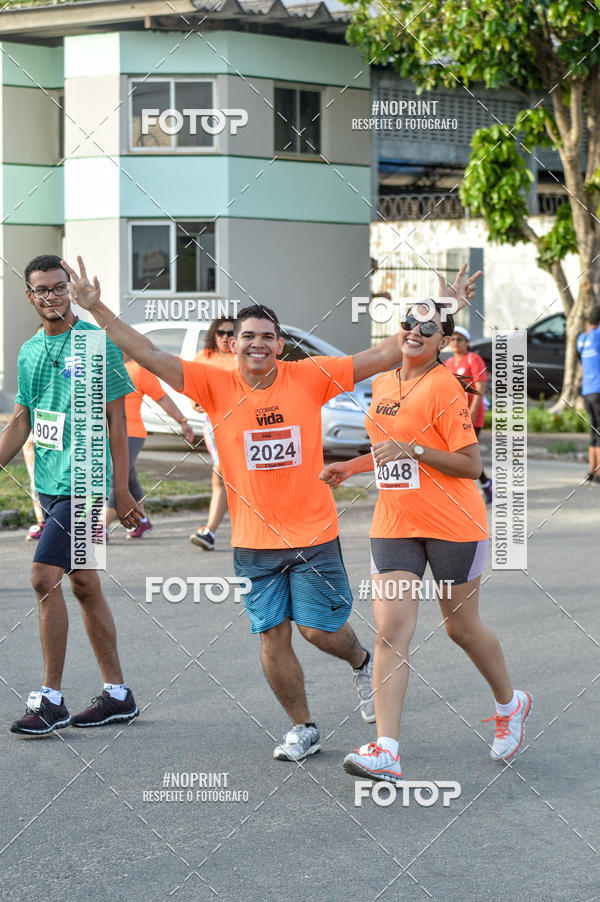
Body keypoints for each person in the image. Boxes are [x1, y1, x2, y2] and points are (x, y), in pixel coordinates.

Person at [62, 255, 480, 763]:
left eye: (267, 336)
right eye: (248, 335)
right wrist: (96, 307)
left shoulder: (309, 377)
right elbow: (147, 352)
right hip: (252, 543)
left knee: (319, 629)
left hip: (313, 534)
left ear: (280, 345)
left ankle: (361, 659)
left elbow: (390, 349)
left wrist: (441, 308)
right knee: (271, 637)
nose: (257, 343)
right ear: (232, 343)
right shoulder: (211, 383)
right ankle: (303, 726)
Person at [321, 301, 531, 784]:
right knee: (390, 631)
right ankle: (387, 750)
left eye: (429, 328)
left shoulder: (445, 387)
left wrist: (415, 448)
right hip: (395, 524)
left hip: (453, 524)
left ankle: (510, 703)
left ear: (442, 342)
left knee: (461, 628)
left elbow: (470, 466)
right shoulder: (384, 381)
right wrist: (350, 468)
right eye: (409, 324)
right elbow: (385, 447)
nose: (416, 331)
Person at [0, 254, 142, 735]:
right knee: (83, 584)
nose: (52, 296)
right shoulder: (28, 351)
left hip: (83, 483)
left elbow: (117, 419)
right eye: (42, 289)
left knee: (44, 577)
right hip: (49, 482)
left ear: (69, 289)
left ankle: (51, 699)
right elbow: (21, 419)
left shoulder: (96, 342)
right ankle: (118, 695)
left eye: (59, 287)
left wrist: (121, 488)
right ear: (30, 296)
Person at [105, 355, 195, 539]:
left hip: (132, 434)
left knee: (117, 473)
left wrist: (182, 421)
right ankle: (142, 520)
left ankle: (102, 525)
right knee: (128, 476)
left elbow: (162, 398)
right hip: (106, 433)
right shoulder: (102, 367)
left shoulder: (140, 369)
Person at [189, 317, 237, 550]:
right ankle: (210, 531)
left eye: (231, 333)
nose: (226, 337)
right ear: (213, 334)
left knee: (231, 476)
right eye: (221, 333)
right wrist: (195, 402)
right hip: (214, 424)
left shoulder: (245, 358)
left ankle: (214, 530)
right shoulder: (204, 358)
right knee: (220, 474)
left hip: (245, 424)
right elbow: (192, 387)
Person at [444, 325, 493, 503]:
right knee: (455, 455)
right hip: (454, 415)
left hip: (472, 416)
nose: (456, 343)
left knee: (467, 455)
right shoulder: (449, 363)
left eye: (460, 339)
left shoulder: (473, 359)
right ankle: (484, 483)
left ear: (467, 342)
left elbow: (480, 386)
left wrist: (472, 411)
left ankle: (482, 486)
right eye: (453, 339)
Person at [576, 307, 600, 481]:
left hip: (587, 391)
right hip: (598, 390)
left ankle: (592, 471)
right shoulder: (598, 335)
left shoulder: (582, 339)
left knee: (594, 431)